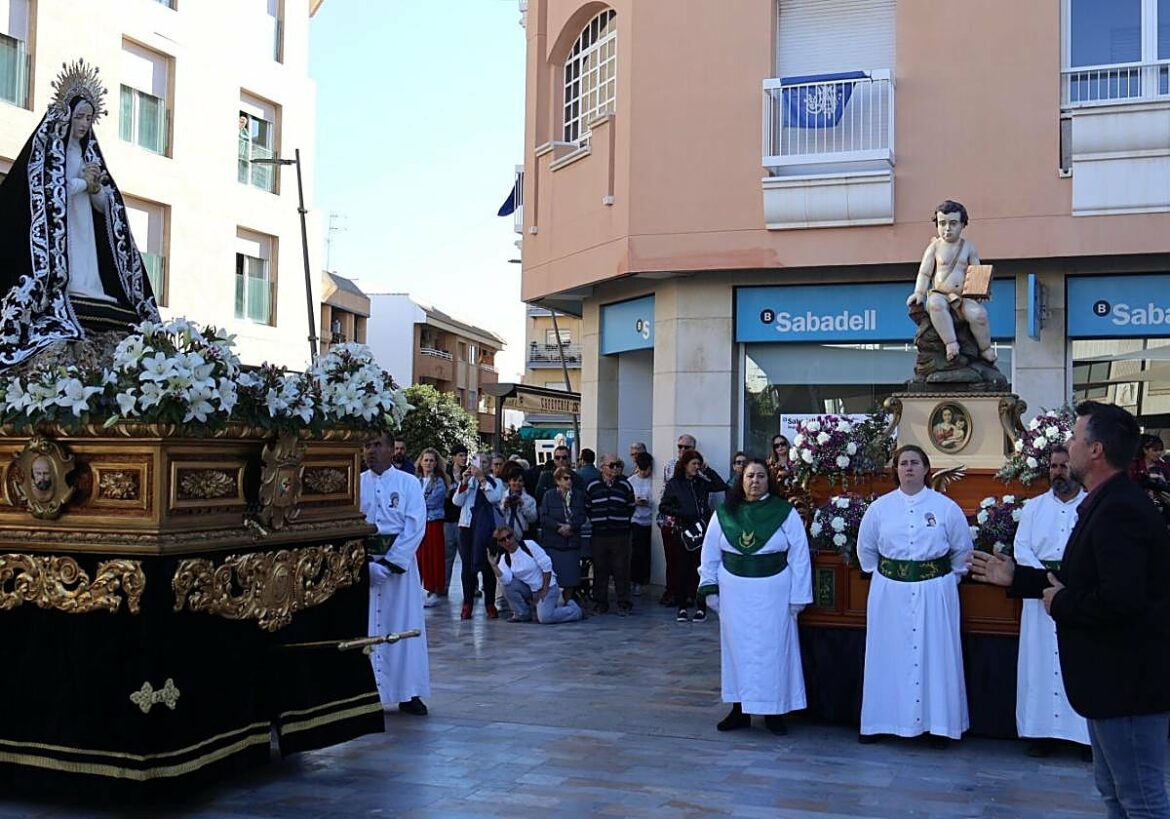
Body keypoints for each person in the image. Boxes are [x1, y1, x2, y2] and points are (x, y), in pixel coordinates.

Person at [972, 401, 1170, 817]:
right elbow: (1085, 581)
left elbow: (1121, 601)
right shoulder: (1105, 503)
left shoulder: (1119, 511)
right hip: (1110, 685)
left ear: (1096, 450)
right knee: (1116, 793)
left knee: (1141, 800)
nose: (1068, 445)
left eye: (1075, 438)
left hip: (1128, 685)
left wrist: (1061, 602)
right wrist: (1020, 579)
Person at [0, 60, 158, 369]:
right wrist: (82, 183)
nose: (85, 124)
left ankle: (91, 288)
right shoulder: (49, 152)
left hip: (84, 226)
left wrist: (97, 188)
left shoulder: (88, 155)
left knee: (90, 265)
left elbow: (106, 209)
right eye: (80, 116)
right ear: (67, 116)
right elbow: (46, 190)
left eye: (90, 118)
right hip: (61, 233)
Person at [856, 444, 971, 745]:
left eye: (915, 463)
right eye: (903, 463)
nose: (908, 468)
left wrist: (944, 580)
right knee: (888, 656)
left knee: (936, 657)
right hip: (890, 594)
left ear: (926, 468)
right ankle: (882, 722)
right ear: (895, 469)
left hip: (935, 592)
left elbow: (962, 551)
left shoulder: (946, 507)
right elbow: (866, 551)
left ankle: (938, 726)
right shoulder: (879, 508)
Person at [697, 458, 811, 735]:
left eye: (761, 476)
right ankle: (739, 710)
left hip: (774, 592)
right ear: (742, 479)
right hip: (735, 593)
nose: (755, 481)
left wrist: (799, 595)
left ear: (768, 480)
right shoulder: (725, 513)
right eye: (750, 476)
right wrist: (709, 587)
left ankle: (775, 712)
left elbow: (799, 555)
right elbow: (710, 552)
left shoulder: (783, 512)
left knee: (774, 650)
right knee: (737, 651)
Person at [1009, 445, 1090, 757]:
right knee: (1039, 663)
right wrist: (1047, 579)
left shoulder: (1090, 506)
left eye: (1064, 466)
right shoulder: (1033, 508)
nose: (1058, 472)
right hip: (1040, 593)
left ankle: (1083, 736)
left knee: (1080, 661)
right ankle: (1040, 732)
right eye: (1054, 466)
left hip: (1079, 596)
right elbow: (1022, 548)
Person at [360, 431, 430, 716]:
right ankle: (366, 693)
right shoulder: (356, 483)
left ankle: (407, 691)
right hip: (364, 566)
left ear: (392, 450)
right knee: (365, 628)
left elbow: (416, 525)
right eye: (367, 445)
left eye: (377, 445)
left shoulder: (408, 484)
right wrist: (364, 562)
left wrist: (389, 564)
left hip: (398, 569)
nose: (371, 451)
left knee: (403, 626)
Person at [906, 199, 994, 363]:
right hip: (940, 294)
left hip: (963, 297)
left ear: (962, 224)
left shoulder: (969, 247)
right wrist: (919, 293)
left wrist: (980, 291)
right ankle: (951, 343)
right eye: (942, 223)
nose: (947, 228)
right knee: (935, 305)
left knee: (980, 315)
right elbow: (924, 273)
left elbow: (977, 272)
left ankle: (985, 348)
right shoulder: (934, 247)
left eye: (953, 223)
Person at [659, 449, 729, 623]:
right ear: (685, 465)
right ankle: (681, 607)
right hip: (683, 531)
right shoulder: (675, 484)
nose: (696, 467)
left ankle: (701, 608)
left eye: (698, 464)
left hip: (702, 529)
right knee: (682, 569)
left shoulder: (701, 482)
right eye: (694, 464)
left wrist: (707, 470)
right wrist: (681, 512)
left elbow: (720, 485)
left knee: (700, 569)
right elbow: (663, 506)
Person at [487, 525, 583, 624]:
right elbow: (506, 580)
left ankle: (574, 611)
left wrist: (544, 589)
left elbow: (547, 564)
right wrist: (494, 566)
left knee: (545, 618)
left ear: (514, 536)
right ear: (500, 543)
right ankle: (522, 614)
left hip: (548, 586)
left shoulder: (528, 545)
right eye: (503, 540)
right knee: (505, 585)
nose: (507, 541)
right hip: (531, 590)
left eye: (509, 536)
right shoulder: (505, 559)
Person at [452, 452, 505, 620]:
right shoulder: (468, 482)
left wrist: (482, 479)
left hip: (487, 530)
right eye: (476, 462)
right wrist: (464, 482)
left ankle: (490, 603)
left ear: (489, 465)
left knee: (489, 565)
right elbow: (457, 502)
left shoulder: (495, 482)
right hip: (467, 527)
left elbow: (493, 498)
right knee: (467, 567)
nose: (479, 465)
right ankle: (467, 603)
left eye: (483, 462)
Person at [584, 453, 636, 615]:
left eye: (617, 465)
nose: (615, 468)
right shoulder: (592, 485)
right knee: (600, 568)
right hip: (599, 533)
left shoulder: (625, 485)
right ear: (602, 467)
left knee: (622, 568)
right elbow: (587, 506)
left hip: (620, 533)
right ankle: (601, 601)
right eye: (612, 465)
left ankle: (623, 601)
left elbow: (631, 505)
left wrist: (620, 520)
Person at [658, 432, 697, 606]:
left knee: (691, 560)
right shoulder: (671, 465)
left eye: (686, 447)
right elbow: (668, 489)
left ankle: (689, 592)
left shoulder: (698, 466)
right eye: (680, 447)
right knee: (672, 559)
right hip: (671, 520)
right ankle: (672, 591)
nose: (682, 450)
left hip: (691, 522)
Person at [539, 466, 586, 605]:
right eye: (565, 478)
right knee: (554, 575)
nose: (569, 481)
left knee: (570, 576)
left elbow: (582, 515)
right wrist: (558, 527)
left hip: (571, 542)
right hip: (553, 541)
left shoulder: (577, 495)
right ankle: (552, 602)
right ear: (557, 480)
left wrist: (571, 526)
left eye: (570, 478)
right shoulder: (549, 495)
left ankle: (568, 600)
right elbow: (544, 516)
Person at [415, 448, 448, 608]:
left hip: (433, 522)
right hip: (417, 523)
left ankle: (433, 590)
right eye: (426, 460)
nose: (428, 463)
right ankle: (418, 588)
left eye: (431, 460)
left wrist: (416, 505)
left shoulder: (439, 482)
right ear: (420, 462)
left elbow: (432, 502)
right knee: (419, 555)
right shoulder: (415, 480)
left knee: (433, 555)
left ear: (436, 463)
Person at [441, 444, 468, 599]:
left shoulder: (469, 473)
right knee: (448, 555)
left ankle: (472, 587)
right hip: (449, 519)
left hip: (463, 519)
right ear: (453, 456)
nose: (463, 458)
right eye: (460, 455)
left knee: (466, 555)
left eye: (465, 455)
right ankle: (444, 586)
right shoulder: (446, 473)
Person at [628, 451, 655, 597]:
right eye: (642, 468)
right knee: (636, 553)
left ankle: (644, 579)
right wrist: (636, 502)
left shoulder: (654, 481)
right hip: (636, 520)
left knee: (648, 553)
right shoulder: (631, 481)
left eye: (647, 469)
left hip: (650, 520)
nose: (644, 472)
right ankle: (635, 581)